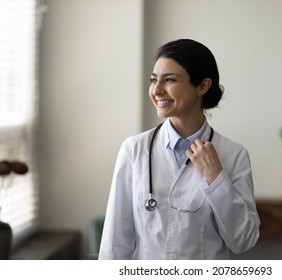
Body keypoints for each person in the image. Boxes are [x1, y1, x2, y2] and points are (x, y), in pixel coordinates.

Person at [98, 39, 260, 260]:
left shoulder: (234, 155)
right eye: (153, 80)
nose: (156, 90)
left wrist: (216, 177)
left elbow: (244, 240)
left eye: (170, 80)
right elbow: (115, 243)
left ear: (202, 86)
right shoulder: (134, 149)